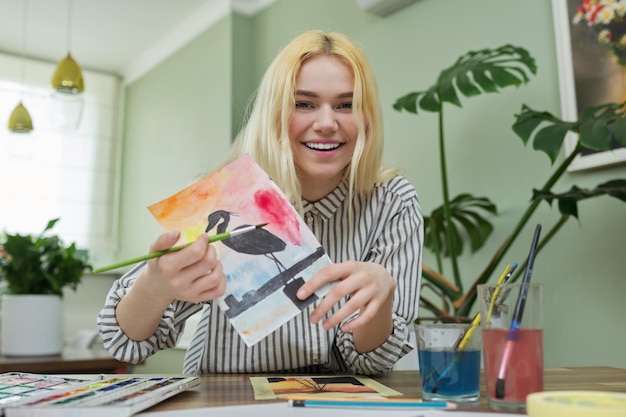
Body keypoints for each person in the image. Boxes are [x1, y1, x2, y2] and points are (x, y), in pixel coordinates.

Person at [97, 30, 423, 375]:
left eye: (346, 105)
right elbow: (125, 341)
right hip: (224, 398)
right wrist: (155, 287)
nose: (327, 123)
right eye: (303, 104)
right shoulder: (223, 196)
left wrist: (381, 301)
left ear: (367, 116)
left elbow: (372, 361)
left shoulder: (393, 201)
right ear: (274, 113)